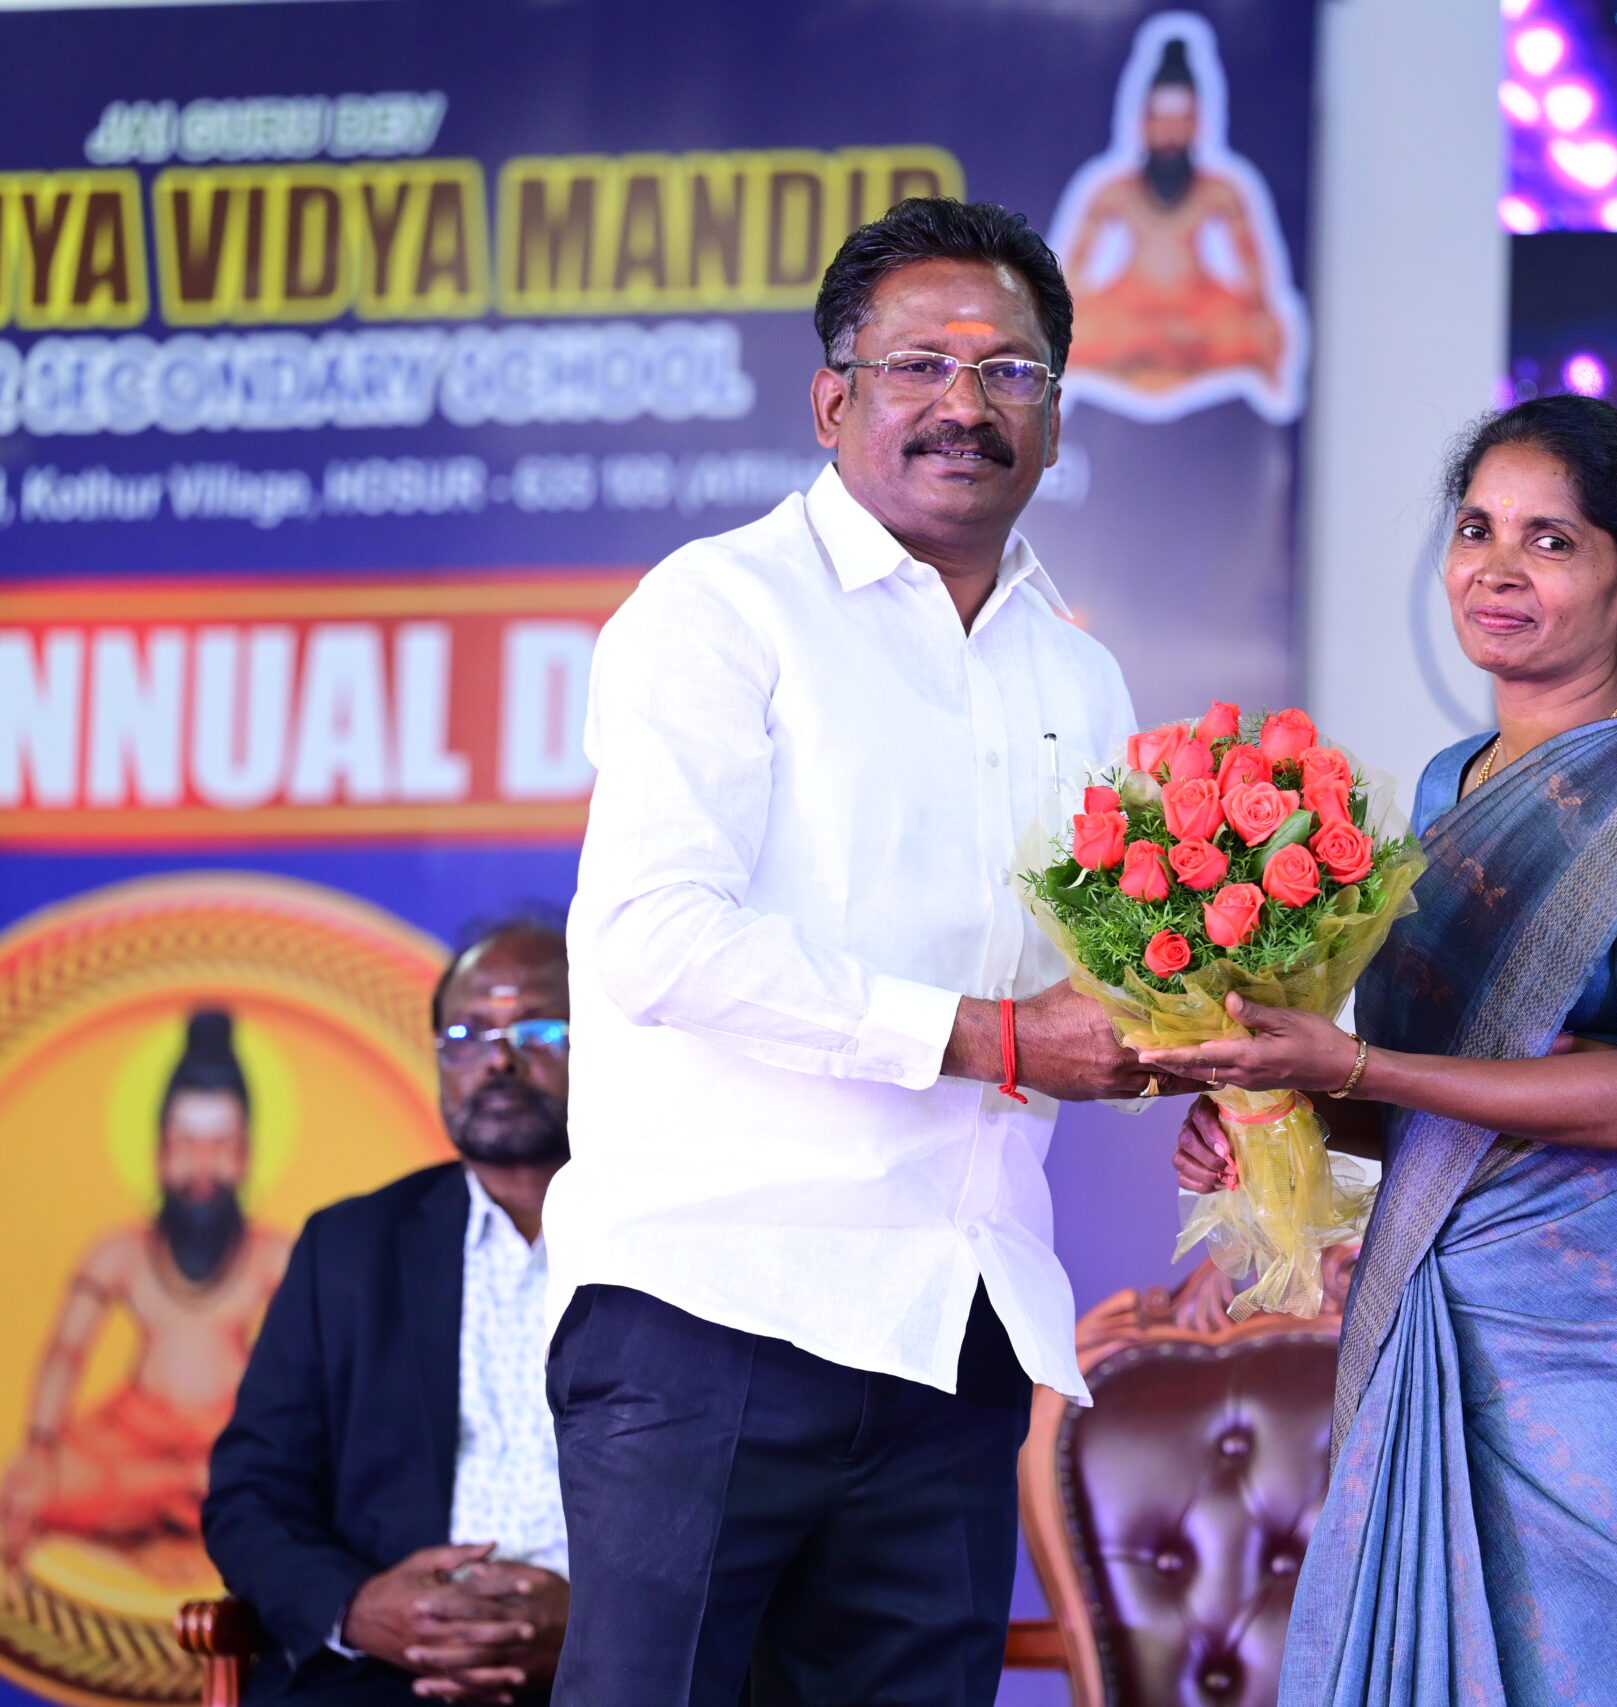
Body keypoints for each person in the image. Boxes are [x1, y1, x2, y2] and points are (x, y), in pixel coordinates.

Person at [546, 197, 1166, 1707]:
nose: (968, 403)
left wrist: (1205, 1061)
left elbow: (1099, 978)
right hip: (717, 1306)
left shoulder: (1078, 675)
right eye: (920, 365)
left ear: (1056, 418)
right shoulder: (718, 610)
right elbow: (654, 938)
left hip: (961, 1323)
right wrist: (996, 1039)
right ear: (833, 402)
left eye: (1010, 371)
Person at [1151, 393, 1617, 1705]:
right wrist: (1274, 1102)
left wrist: (1349, 1071)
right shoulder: (1447, 785)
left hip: (1614, 1365)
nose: (1497, 567)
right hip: (1436, 1325)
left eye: (1551, 540)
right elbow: (1442, 1114)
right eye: (1477, 529)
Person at [203, 920, 576, 1706]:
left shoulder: (677, 1249)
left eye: (539, 1031)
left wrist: (598, 1622)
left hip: (616, 1672)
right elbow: (250, 1494)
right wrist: (359, 1608)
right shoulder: (348, 1248)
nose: (499, 1060)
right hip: (382, 1674)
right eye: (466, 1035)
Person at [0, 1007, 292, 1584]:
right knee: (37, 1487)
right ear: (159, 1153)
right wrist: (39, 1448)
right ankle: (185, 1495)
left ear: (244, 1156)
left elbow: (315, 1367)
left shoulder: (274, 1255)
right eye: (185, 1145)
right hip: (133, 1442)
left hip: (232, 1435)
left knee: (308, 1483)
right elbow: (66, 1353)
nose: (201, 1167)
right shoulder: (120, 1253)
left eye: (220, 1147)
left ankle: (198, 1494)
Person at [1059, 28, 1294, 401]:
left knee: (1262, 330)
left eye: (1182, 121)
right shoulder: (1113, 192)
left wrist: (1261, 318)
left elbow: (1254, 272)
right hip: (1131, 312)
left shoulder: (1221, 191)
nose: (1170, 133)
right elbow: (1072, 272)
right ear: (1143, 124)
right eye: (1161, 121)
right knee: (1073, 331)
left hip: (1197, 313)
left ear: (1197, 124)